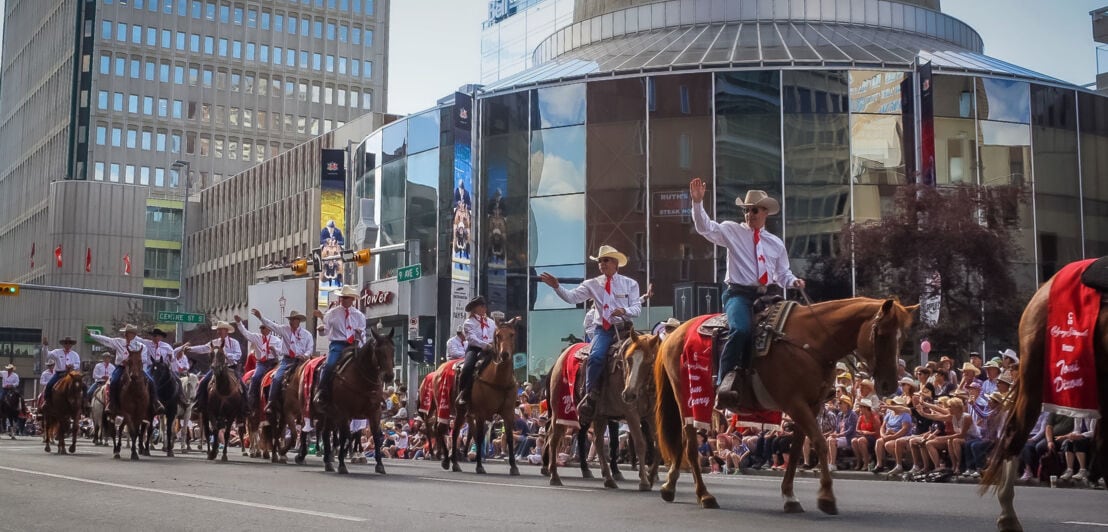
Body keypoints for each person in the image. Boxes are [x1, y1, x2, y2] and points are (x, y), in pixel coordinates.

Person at [688, 179, 804, 406]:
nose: (749, 214)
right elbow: (705, 228)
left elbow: (783, 273)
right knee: (740, 330)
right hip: (738, 294)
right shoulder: (732, 230)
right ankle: (723, 381)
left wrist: (794, 281)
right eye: (746, 210)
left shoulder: (775, 243)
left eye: (754, 210)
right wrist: (697, 203)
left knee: (790, 330)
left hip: (767, 296)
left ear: (765, 213)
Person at [539, 245, 642, 418]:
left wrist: (624, 311)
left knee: (644, 355)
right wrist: (557, 286)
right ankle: (590, 396)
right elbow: (572, 297)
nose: (602, 264)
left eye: (606, 260)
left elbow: (637, 308)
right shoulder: (592, 284)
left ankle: (648, 392)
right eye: (600, 261)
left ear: (616, 263)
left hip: (625, 329)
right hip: (604, 330)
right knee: (596, 357)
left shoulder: (630, 284)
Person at [89, 324, 162, 414]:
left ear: (134, 335)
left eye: (129, 333)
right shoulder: (119, 342)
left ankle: (155, 402)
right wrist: (92, 335)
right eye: (126, 333)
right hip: (121, 368)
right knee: (114, 381)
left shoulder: (140, 346)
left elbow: (144, 359)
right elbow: (106, 340)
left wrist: (132, 361)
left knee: (151, 381)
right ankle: (111, 403)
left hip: (136, 368)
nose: (126, 335)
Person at [313, 285, 366, 404]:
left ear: (352, 299)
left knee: (368, 365)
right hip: (338, 345)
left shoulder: (359, 315)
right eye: (342, 297)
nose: (343, 299)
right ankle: (321, 391)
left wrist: (360, 334)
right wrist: (321, 329)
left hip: (354, 345)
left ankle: (372, 393)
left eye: (346, 297)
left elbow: (363, 335)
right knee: (329, 365)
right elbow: (326, 331)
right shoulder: (332, 313)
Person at [256, 308, 314, 415]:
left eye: (294, 319)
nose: (292, 321)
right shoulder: (284, 329)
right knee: (277, 378)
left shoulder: (307, 334)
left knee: (312, 376)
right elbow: (271, 325)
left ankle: (314, 401)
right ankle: (271, 402)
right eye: (291, 319)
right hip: (287, 360)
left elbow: (310, 348)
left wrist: (305, 355)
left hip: (302, 361)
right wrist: (260, 317)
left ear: (299, 321)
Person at [183, 321, 243, 413]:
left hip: (231, 368)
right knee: (203, 382)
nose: (219, 332)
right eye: (218, 330)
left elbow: (238, 355)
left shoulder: (234, 342)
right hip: (217, 368)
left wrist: (226, 354)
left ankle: (245, 406)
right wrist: (190, 349)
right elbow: (204, 348)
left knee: (242, 385)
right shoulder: (214, 342)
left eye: (221, 330)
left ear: (226, 331)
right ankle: (198, 404)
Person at [234, 315, 284, 415]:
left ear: (269, 329)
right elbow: (245, 333)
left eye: (264, 328)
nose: (262, 330)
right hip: (262, 363)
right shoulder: (256, 337)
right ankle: (250, 403)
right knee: (256, 377)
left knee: (280, 378)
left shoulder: (277, 340)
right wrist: (239, 323)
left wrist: (274, 350)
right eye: (261, 328)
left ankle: (277, 401)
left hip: (274, 363)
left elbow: (281, 352)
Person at [456, 296, 493, 406]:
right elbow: (472, 339)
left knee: (505, 362)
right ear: (475, 308)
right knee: (467, 368)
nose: (484, 308)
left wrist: (492, 344)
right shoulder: (469, 323)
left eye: (484, 306)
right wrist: (485, 345)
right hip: (474, 348)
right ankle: (463, 393)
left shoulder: (491, 322)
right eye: (481, 306)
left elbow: (495, 335)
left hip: (491, 349)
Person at [42, 336, 81, 401]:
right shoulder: (57, 352)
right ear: (63, 344)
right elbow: (47, 355)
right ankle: (47, 401)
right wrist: (45, 346)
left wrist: (73, 366)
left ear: (71, 345)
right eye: (66, 343)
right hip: (59, 374)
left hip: (71, 374)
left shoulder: (75, 354)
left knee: (83, 385)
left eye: (69, 343)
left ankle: (84, 401)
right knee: (49, 385)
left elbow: (78, 364)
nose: (68, 344)